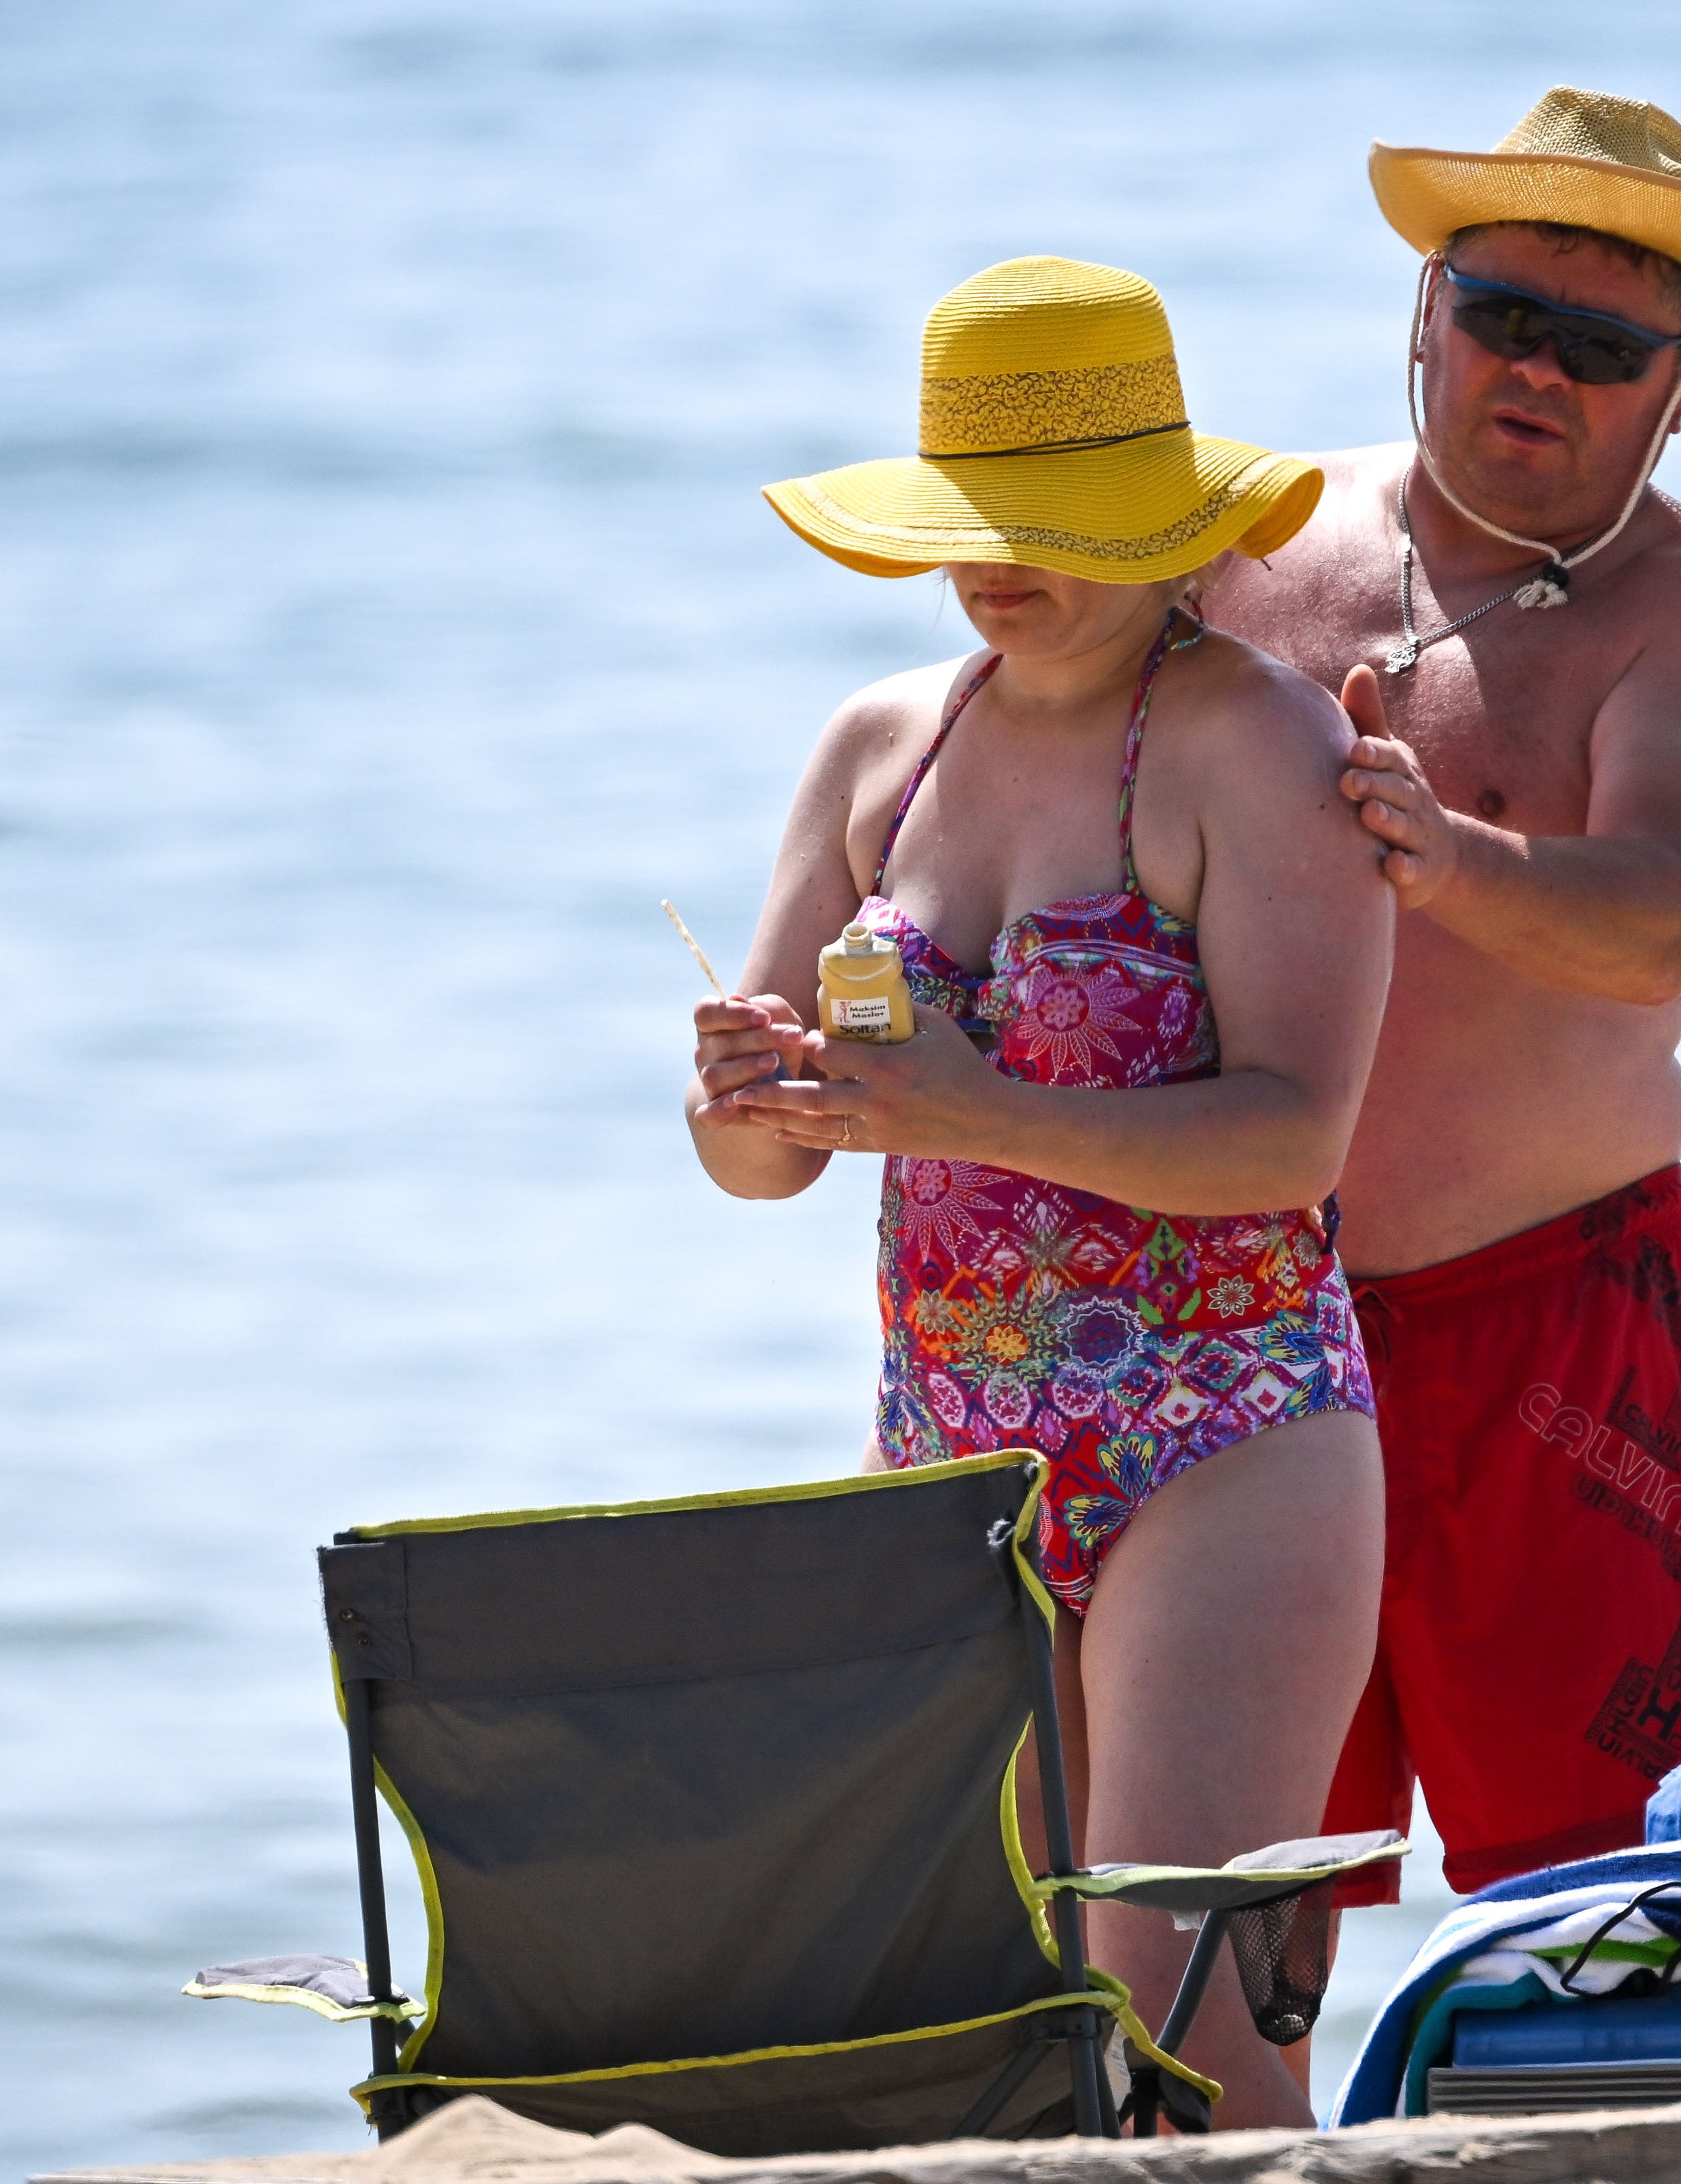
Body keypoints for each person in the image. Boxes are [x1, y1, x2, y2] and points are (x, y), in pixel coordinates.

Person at [683, 257, 1390, 2131]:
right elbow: (761, 1167)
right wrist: (744, 1099)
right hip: (952, 1448)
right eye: (978, 521)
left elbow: (1296, 1138)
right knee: (988, 2035)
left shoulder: (1258, 741)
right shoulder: (880, 750)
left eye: (1061, 526)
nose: (1006, 562)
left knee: (1191, 2037)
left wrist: (967, 1106)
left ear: (1164, 522)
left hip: (1226, 1436)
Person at [1200, 89, 1681, 1911]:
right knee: (1215, 1896)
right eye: (1506, 317)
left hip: (1551, 1331)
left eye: (1605, 346)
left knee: (1616, 1915)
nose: (1540, 373)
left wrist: (1447, 859)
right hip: (1231, 1315)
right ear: (1427, 308)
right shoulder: (1247, 547)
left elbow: (1661, 922)